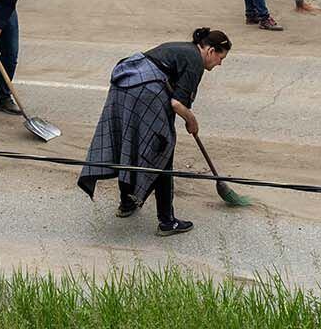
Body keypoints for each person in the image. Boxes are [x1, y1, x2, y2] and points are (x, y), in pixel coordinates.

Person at [78, 27, 232, 238]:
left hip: (124, 86)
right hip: (145, 92)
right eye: (221, 58)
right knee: (162, 150)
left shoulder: (184, 49)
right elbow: (177, 103)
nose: (220, 63)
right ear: (211, 51)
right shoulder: (196, 61)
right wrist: (192, 120)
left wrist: (186, 117)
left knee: (130, 144)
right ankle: (167, 221)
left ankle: (127, 203)